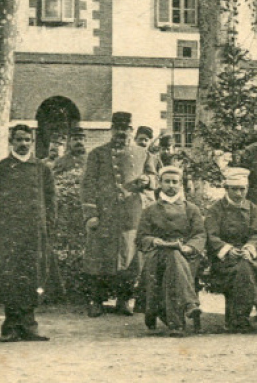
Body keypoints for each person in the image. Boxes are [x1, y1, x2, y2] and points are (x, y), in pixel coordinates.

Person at [0, 124, 60, 342]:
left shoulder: (42, 169)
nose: (23, 144)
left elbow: (51, 202)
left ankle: (30, 326)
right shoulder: (1, 168)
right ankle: (11, 327)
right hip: (9, 236)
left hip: (35, 236)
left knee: (34, 278)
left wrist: (47, 228)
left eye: (27, 140)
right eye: (19, 140)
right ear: (11, 142)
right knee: (10, 278)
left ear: (32, 142)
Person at [81, 111, 155, 317]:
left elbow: (154, 175)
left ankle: (125, 299)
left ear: (132, 130)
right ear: (111, 130)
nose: (122, 132)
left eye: (126, 128)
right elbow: (87, 185)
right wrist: (91, 213)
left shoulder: (143, 153)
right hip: (104, 214)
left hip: (131, 214)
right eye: (118, 128)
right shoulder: (97, 154)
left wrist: (148, 180)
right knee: (99, 256)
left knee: (130, 258)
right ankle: (96, 300)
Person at [135, 166, 205, 337]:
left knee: (174, 257)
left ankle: (176, 323)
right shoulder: (150, 210)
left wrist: (189, 247)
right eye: (167, 182)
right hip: (157, 255)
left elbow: (200, 234)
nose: (171, 186)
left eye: (175, 182)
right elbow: (141, 237)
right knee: (171, 255)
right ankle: (189, 305)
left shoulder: (191, 209)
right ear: (160, 183)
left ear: (180, 184)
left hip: (186, 256)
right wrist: (154, 241)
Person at [204, 167, 257, 331]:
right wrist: (228, 249)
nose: (238, 193)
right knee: (244, 267)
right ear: (226, 189)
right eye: (234, 189)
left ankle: (238, 319)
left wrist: (249, 247)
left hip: (248, 256)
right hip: (223, 261)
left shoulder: (253, 209)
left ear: (247, 189)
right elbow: (211, 236)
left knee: (244, 265)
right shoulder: (216, 210)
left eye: (242, 189)